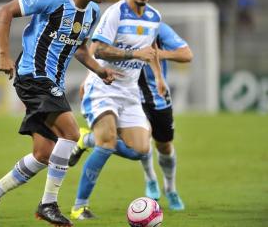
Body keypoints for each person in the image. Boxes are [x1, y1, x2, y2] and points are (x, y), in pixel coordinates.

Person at [0, 0, 118, 227]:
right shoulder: (52, 0)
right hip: (33, 75)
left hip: (51, 82)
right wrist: (3, 54)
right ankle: (48, 204)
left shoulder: (90, 13)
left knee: (43, 154)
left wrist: (99, 70)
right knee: (72, 133)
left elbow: (78, 48)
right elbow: (5, 12)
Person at [68, 0, 167, 220]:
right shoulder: (116, 13)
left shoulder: (154, 17)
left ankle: (86, 139)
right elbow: (98, 49)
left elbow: (151, 48)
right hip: (103, 88)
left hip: (129, 92)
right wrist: (134, 54)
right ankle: (80, 206)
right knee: (108, 142)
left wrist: (158, 76)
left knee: (140, 151)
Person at [69, 21, 192, 213]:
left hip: (157, 98)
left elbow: (186, 54)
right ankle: (150, 179)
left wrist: (157, 55)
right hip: (126, 93)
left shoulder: (156, 26)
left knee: (162, 146)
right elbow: (95, 49)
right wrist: (89, 77)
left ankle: (170, 188)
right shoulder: (117, 23)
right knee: (127, 141)